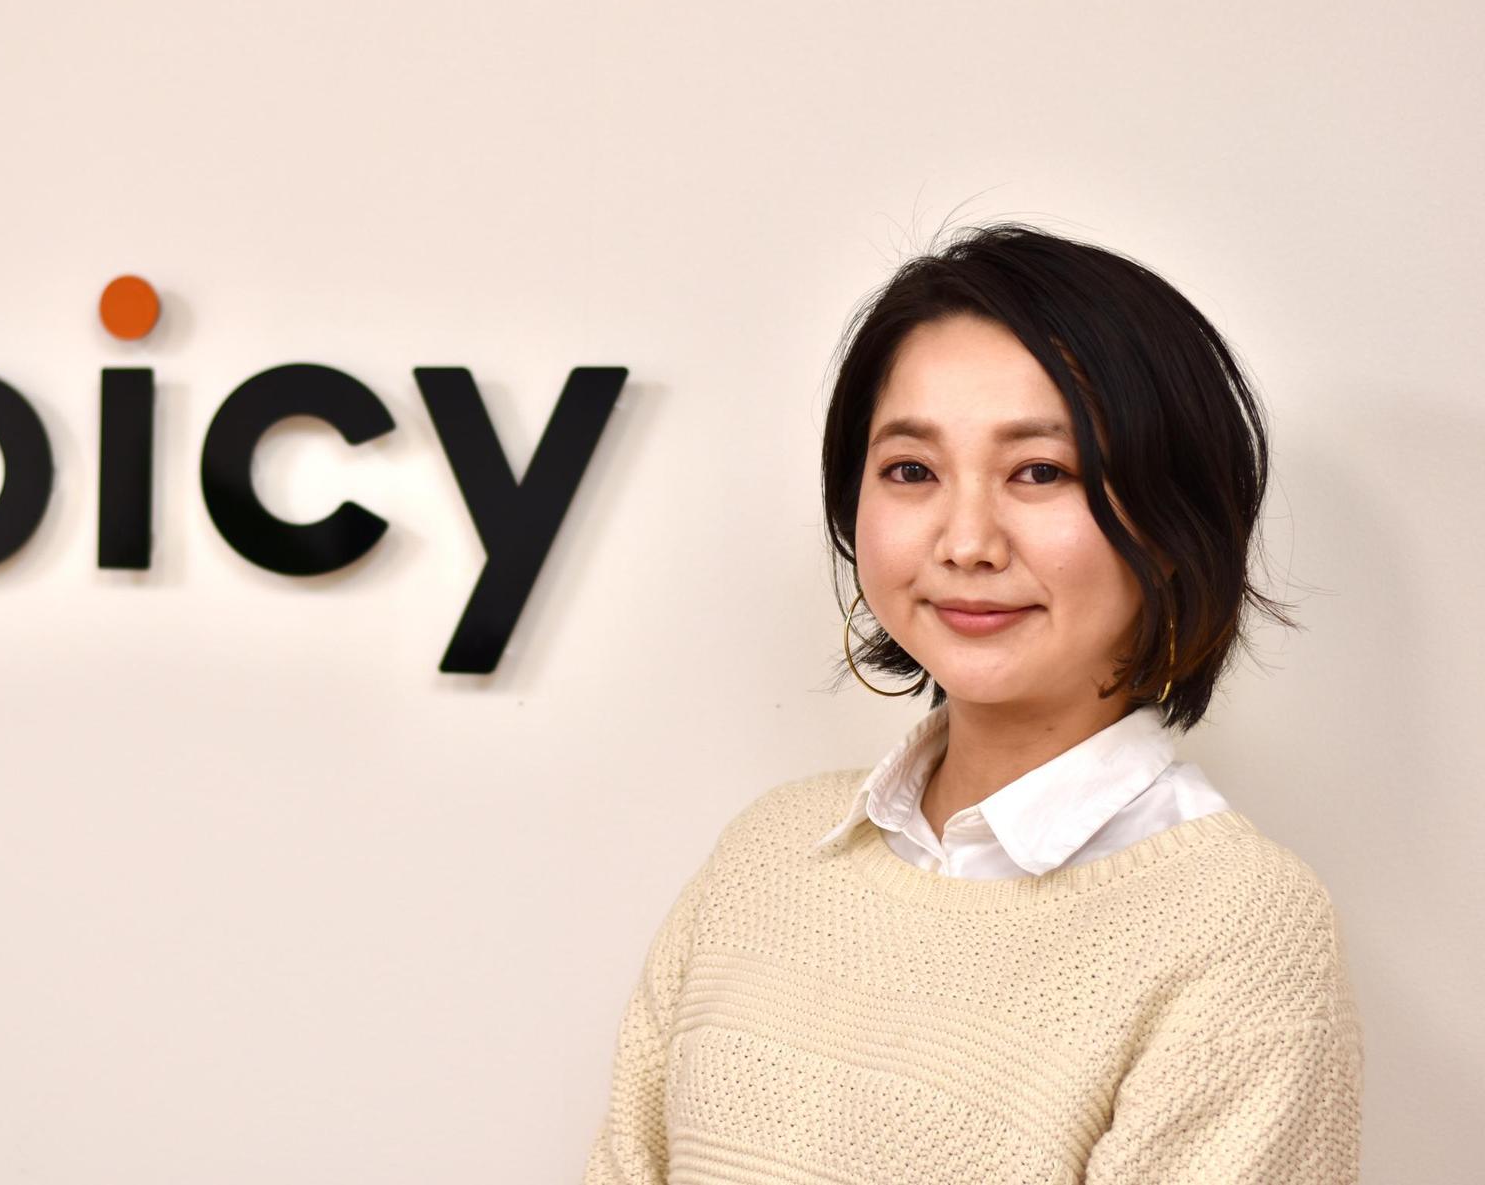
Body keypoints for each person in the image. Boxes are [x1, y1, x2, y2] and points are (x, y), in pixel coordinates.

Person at [579, 221, 1363, 1183]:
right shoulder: (768, 850)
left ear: (1172, 520)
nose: (966, 542)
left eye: (1041, 471)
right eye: (912, 470)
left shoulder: (1239, 925)